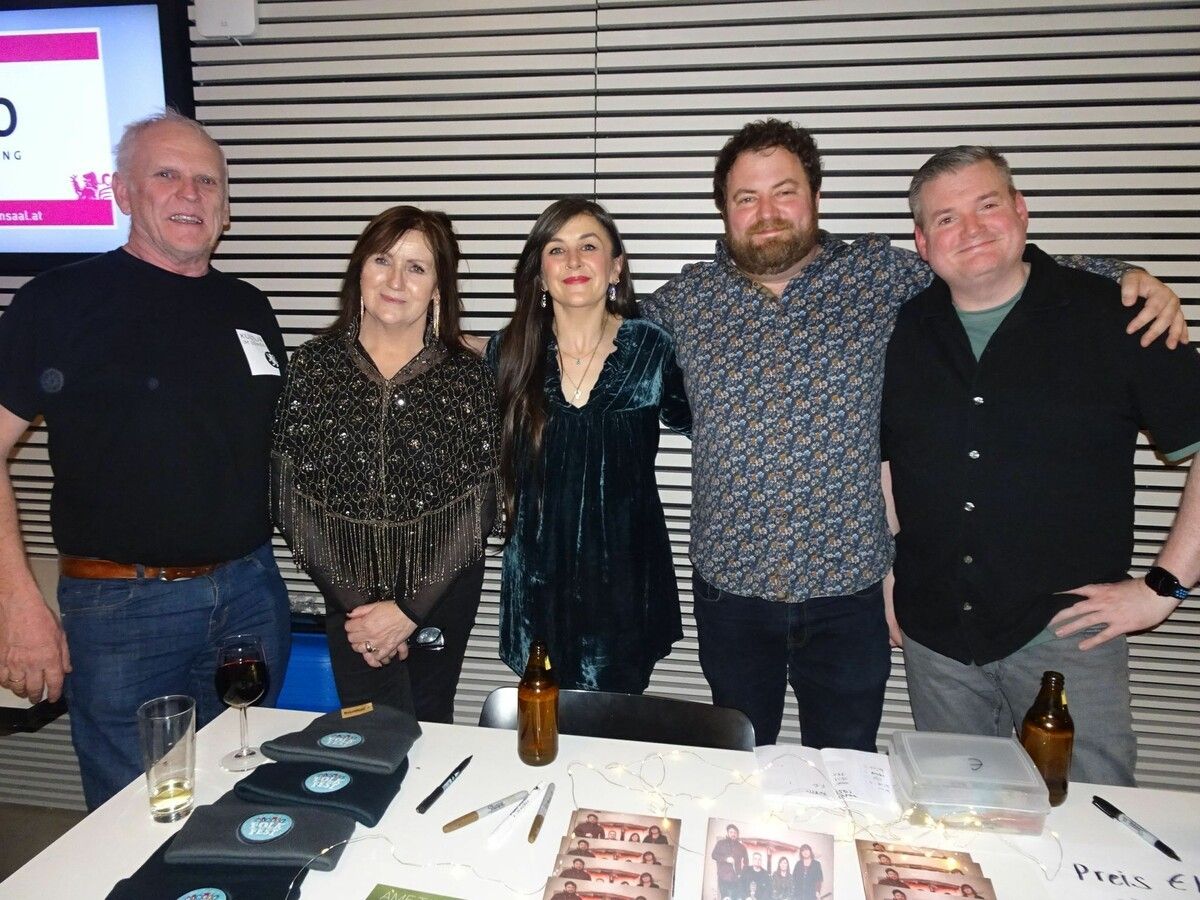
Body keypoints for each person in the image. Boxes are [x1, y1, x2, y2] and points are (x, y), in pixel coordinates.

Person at [640, 117, 1185, 749]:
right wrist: (498, 348)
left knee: (845, 769)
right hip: (729, 592)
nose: (768, 212)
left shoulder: (883, 275)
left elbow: (991, 265)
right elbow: (589, 329)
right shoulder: (684, 300)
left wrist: (1123, 275)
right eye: (746, 198)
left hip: (852, 594)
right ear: (724, 211)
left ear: (815, 197)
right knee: (731, 761)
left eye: (784, 191)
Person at [882, 146, 1200, 786]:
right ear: (921, 242)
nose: (969, 230)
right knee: (958, 825)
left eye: (987, 205)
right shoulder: (904, 327)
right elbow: (893, 458)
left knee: (1092, 821)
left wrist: (1165, 587)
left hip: (1067, 638)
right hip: (936, 638)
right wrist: (892, 575)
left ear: (1021, 211)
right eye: (945, 219)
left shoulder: (1117, 314)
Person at [0, 111, 292, 809]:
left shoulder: (250, 308)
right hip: (122, 609)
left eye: (207, 182)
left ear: (225, 207)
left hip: (250, 595)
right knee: (136, 815)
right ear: (122, 191)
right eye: (167, 175)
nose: (190, 194)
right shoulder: (59, 302)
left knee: (241, 795)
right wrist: (16, 605)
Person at [272, 205, 498, 722]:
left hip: (440, 597)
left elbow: (482, 502)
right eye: (382, 260)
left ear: (438, 288)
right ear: (360, 271)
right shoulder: (314, 366)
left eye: (416, 267)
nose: (396, 280)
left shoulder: (468, 376)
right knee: (366, 736)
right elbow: (289, 497)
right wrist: (363, 611)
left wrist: (407, 613)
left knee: (429, 726)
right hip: (348, 596)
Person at [488, 197, 691, 691]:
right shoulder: (507, 350)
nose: (574, 261)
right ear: (539, 274)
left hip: (625, 577)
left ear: (616, 266)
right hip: (538, 580)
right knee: (545, 735)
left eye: (589, 246)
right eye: (556, 250)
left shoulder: (653, 347)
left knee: (617, 743)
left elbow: (714, 429)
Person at [711, 824, 749, 899]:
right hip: (723, 877)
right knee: (725, 898)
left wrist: (742, 873)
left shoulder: (741, 847)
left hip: (736, 879)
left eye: (735, 832)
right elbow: (714, 855)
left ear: (737, 834)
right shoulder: (720, 843)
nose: (733, 834)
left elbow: (746, 862)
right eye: (731, 832)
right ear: (727, 833)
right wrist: (726, 859)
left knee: (735, 897)